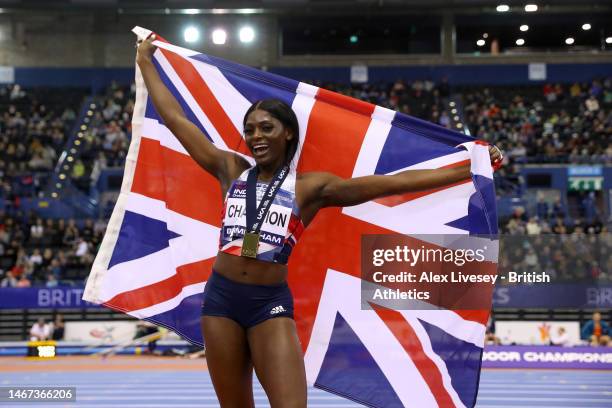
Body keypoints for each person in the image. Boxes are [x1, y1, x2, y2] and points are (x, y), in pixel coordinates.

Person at [137, 35, 503, 408]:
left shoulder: (309, 188)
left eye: (266, 128)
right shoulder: (230, 169)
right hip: (220, 300)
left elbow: (392, 184)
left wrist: (469, 168)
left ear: (288, 132)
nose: (255, 137)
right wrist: (146, 63)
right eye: (250, 130)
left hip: (268, 304)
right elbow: (176, 119)